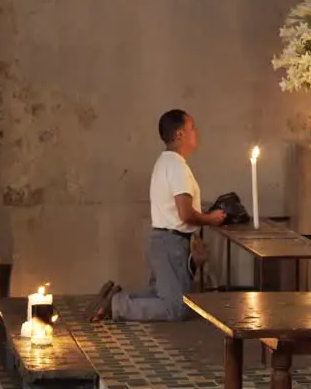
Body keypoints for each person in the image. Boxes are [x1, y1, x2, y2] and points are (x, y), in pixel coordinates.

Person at [90, 109, 225, 322]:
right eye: (192, 128)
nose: (196, 132)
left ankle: (114, 297)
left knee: (162, 294)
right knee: (176, 308)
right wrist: (211, 219)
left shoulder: (165, 162)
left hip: (163, 239)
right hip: (171, 242)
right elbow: (185, 213)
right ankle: (117, 305)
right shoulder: (177, 167)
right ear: (180, 134)